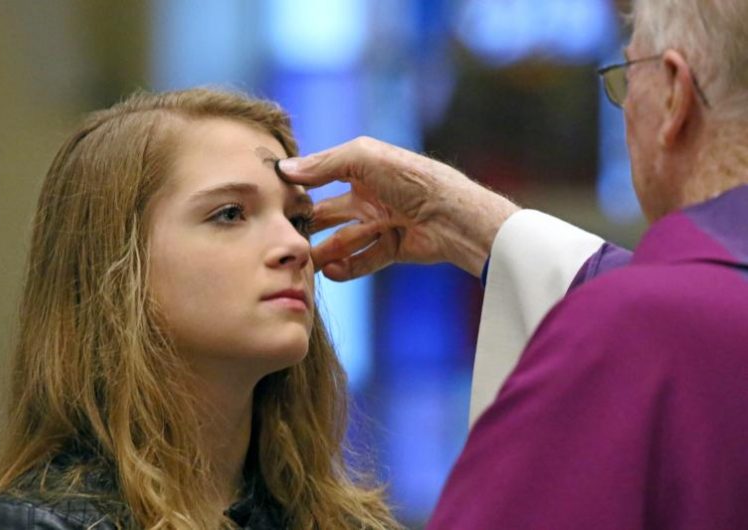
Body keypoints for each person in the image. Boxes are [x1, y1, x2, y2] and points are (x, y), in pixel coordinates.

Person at [278, 0, 748, 527]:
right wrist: (469, 218)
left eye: (625, 77)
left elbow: (671, 321)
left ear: (677, 93)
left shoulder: (630, 333)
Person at [0, 89, 400, 529]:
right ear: (115, 262)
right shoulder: (33, 526)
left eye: (298, 220)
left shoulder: (341, 522)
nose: (295, 246)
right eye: (230, 213)